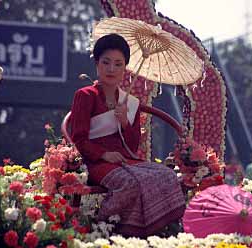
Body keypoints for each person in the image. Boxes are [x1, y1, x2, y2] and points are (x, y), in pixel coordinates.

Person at [69, 33, 185, 237]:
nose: (111, 69)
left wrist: (124, 121)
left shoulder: (130, 102)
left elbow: (132, 145)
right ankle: (100, 228)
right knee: (130, 183)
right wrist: (104, 154)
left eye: (118, 64)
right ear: (97, 64)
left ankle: (152, 234)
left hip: (126, 160)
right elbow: (79, 139)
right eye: (106, 62)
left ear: (125, 69)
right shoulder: (85, 96)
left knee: (167, 175)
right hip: (97, 163)